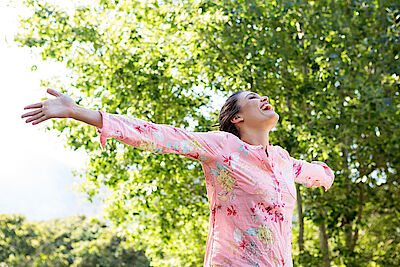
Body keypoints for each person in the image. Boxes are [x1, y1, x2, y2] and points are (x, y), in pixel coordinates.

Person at [21, 88, 334, 266]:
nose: (263, 97)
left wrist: (326, 173)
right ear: (237, 117)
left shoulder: (281, 160)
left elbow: (317, 173)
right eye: (252, 98)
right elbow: (160, 135)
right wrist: (79, 112)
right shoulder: (223, 148)